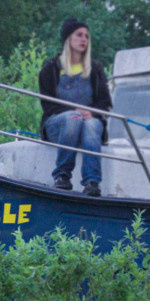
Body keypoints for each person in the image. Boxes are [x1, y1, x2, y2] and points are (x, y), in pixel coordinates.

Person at [37, 18, 112, 197]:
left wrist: (91, 112)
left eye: (86, 36)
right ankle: (62, 176)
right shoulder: (50, 69)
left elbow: (105, 101)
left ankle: (92, 182)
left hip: (88, 123)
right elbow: (47, 104)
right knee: (73, 118)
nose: (84, 39)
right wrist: (73, 111)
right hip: (58, 124)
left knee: (93, 124)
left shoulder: (95, 69)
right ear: (68, 39)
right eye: (79, 35)